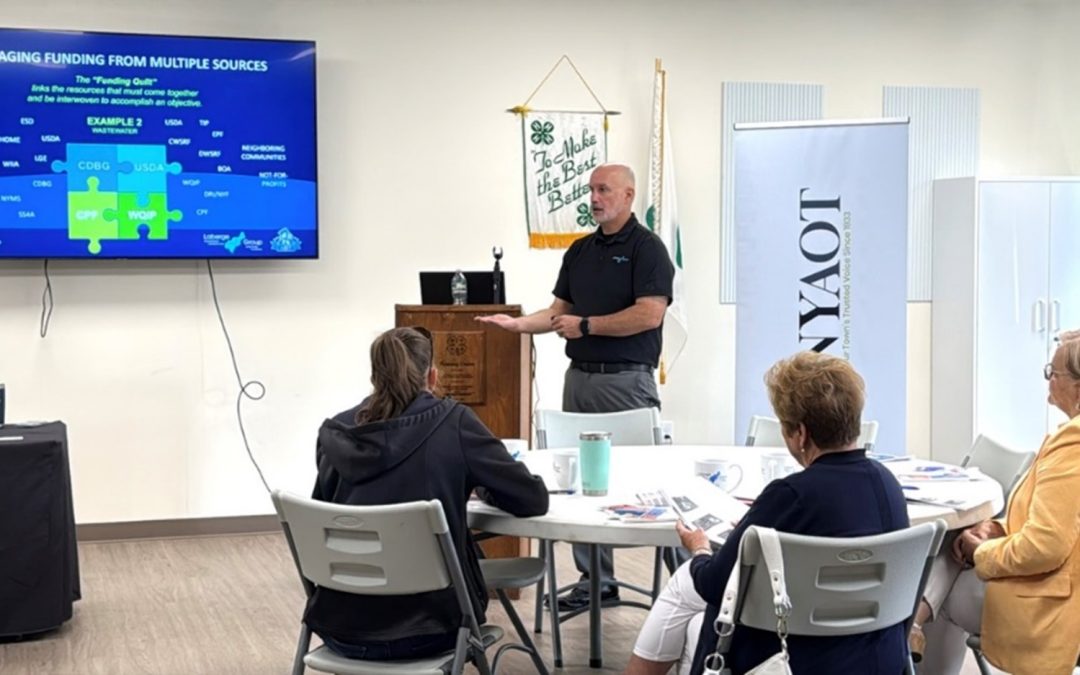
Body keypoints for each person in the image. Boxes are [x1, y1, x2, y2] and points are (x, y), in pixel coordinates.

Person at [625, 351, 911, 675]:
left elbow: (715, 585)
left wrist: (700, 549)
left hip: (793, 660)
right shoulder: (888, 485)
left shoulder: (791, 495)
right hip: (875, 659)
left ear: (800, 434)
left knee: (686, 581)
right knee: (693, 625)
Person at [478, 162, 675, 610]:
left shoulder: (648, 249)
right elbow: (558, 313)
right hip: (579, 380)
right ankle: (596, 582)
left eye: (604, 190)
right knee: (582, 483)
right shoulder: (580, 251)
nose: (594, 198)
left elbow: (650, 314)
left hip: (627, 382)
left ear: (628, 195)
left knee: (649, 479)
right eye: (591, 190)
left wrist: (587, 325)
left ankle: (691, 581)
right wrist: (517, 324)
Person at [306, 326, 549, 661]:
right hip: (432, 630)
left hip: (341, 630)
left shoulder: (336, 433)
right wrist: (481, 486)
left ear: (375, 378)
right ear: (432, 377)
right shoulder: (454, 423)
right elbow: (532, 499)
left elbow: (323, 524)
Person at [914, 330, 1080, 675]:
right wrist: (996, 529)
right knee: (950, 553)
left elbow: (1046, 546)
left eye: (1053, 372)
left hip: (1053, 605)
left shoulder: (1072, 443)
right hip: (1059, 587)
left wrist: (982, 552)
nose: (1048, 379)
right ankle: (912, 629)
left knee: (938, 580)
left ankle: (911, 629)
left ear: (1077, 388)